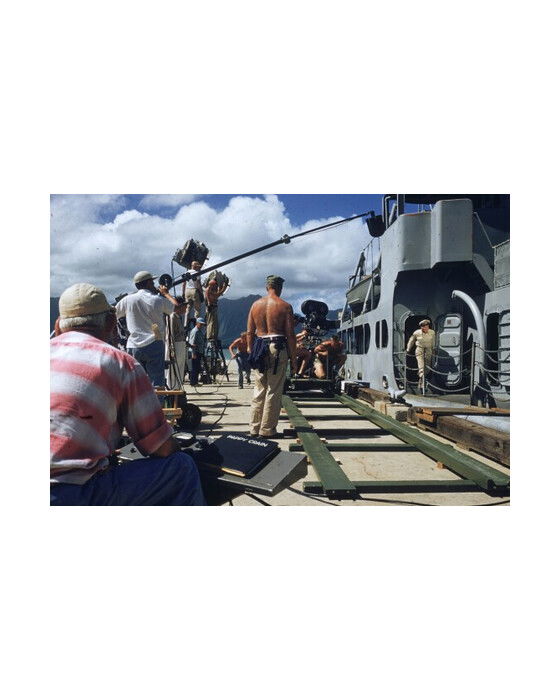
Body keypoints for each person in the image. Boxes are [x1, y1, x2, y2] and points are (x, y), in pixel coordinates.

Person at [50, 283, 206, 506]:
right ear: (111, 323)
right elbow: (161, 448)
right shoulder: (120, 363)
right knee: (181, 467)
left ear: (58, 325)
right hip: (70, 494)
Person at [115, 271, 187, 390]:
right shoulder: (158, 299)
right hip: (154, 343)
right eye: (152, 283)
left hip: (133, 345)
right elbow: (178, 309)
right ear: (148, 283)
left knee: (135, 383)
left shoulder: (128, 299)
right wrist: (166, 293)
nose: (154, 285)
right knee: (157, 382)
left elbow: (114, 314)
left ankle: (137, 402)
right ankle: (157, 402)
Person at [247, 275, 297, 438]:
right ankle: (267, 429)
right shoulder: (285, 306)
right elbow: (290, 335)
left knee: (259, 389)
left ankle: (254, 428)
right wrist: (293, 359)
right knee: (273, 390)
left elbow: (249, 332)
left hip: (259, 347)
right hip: (277, 347)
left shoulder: (255, 305)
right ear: (280, 287)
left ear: (267, 287)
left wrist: (251, 351)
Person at [165, 296, 187, 390]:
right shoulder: (172, 317)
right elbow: (171, 335)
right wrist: (172, 348)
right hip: (176, 345)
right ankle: (172, 388)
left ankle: (178, 387)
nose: (186, 308)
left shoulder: (179, 317)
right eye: (184, 306)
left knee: (180, 367)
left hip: (181, 345)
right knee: (173, 368)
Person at [406, 319, 436, 384]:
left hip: (428, 349)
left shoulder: (432, 332)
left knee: (427, 364)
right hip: (419, 349)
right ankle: (422, 378)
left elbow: (433, 341)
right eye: (422, 327)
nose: (424, 328)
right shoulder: (416, 333)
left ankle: (424, 377)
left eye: (425, 326)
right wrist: (408, 349)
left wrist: (433, 349)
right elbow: (411, 341)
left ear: (428, 326)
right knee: (421, 364)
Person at [181, 260, 204, 325]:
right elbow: (198, 284)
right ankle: (197, 324)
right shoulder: (197, 273)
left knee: (188, 309)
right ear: (196, 267)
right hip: (194, 291)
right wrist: (201, 293)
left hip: (187, 291)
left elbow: (183, 284)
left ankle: (186, 324)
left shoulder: (186, 273)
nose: (199, 268)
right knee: (197, 309)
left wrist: (183, 293)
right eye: (198, 266)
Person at [188, 317, 206, 386]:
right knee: (194, 368)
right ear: (197, 323)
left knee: (197, 367)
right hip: (195, 352)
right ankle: (193, 382)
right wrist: (193, 353)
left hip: (199, 351)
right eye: (200, 324)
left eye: (202, 324)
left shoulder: (199, 331)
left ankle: (195, 382)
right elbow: (192, 343)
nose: (202, 326)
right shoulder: (195, 331)